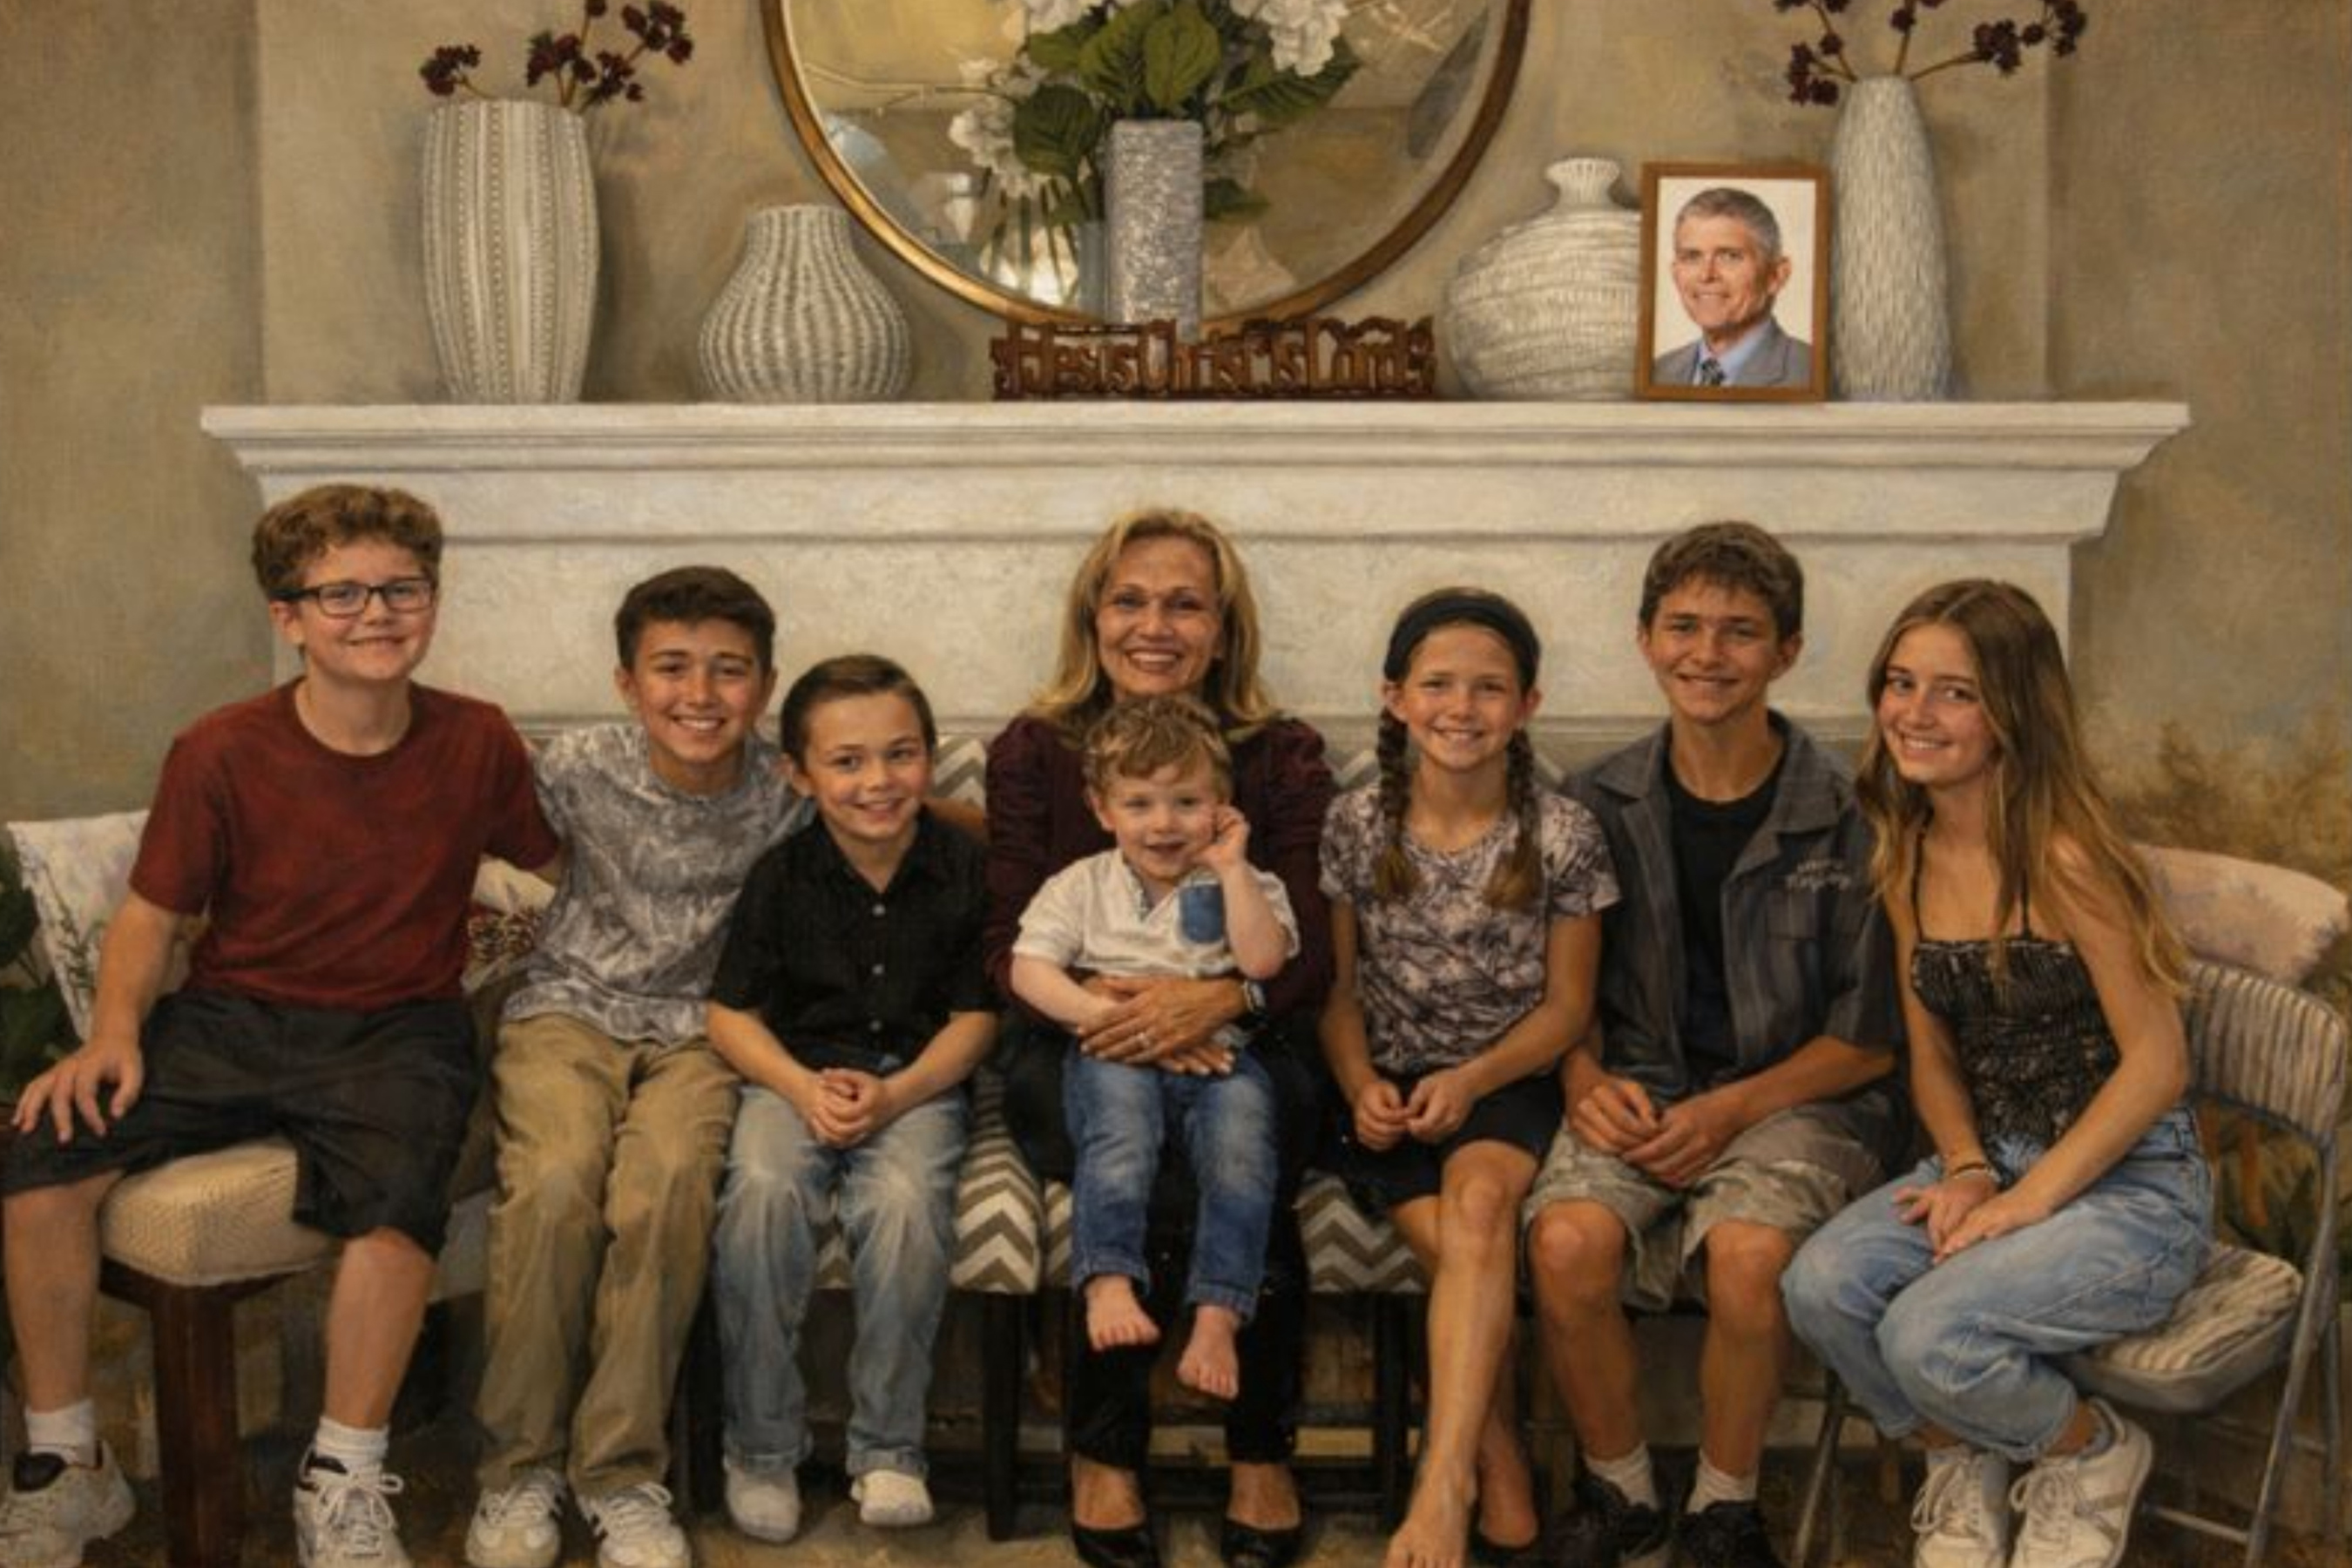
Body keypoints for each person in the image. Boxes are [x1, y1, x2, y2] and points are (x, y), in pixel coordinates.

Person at [0, 484, 562, 1568]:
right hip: (232, 1020)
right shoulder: (220, 750)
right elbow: (151, 915)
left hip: (400, 1028)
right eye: (341, 593)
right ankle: (69, 1464)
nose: (376, 613)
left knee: (399, 1201)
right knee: (40, 1148)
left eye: (402, 589)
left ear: (432, 602)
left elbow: (555, 864)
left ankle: (342, 1477)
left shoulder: (476, 739)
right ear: (288, 617)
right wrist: (113, 1035)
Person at [1781, 581, 2210, 1568]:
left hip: (2132, 1187)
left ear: (2015, 710)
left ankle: (2090, 1453)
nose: (1915, 713)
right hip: (1998, 1161)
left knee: (1929, 1335)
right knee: (1821, 1286)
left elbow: (2159, 1063)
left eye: (1956, 693)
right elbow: (1933, 1050)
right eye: (1901, 683)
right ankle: (1957, 1450)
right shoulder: (1909, 852)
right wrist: (1971, 1169)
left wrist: (2029, 1200)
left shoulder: (2067, 859)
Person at [1524, 522, 1903, 1568]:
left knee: (1749, 1256)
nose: (1708, 653)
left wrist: (1729, 1110)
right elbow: (1566, 987)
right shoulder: (1593, 802)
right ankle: (1621, 1492)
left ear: (1787, 651)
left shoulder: (1854, 815)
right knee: (1565, 1244)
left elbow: (1868, 1038)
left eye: (1740, 631)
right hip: (1637, 1084)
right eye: (1684, 626)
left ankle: (1725, 1510)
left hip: (1804, 1102)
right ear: (1645, 640)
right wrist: (1582, 1074)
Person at [984, 508, 1333, 1568]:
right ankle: (1109, 1451)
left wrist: (1218, 1003)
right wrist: (1126, 1016)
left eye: (1185, 604)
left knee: (1245, 1140)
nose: (1154, 626)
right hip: (1075, 1040)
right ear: (1092, 618)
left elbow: (1308, 952)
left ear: (1223, 630)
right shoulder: (1037, 751)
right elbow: (1004, 946)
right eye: (1129, 600)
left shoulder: (1279, 756)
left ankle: (1257, 1448)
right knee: (1133, 1143)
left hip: (1250, 1037)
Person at [464, 566, 803, 1568]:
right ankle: (517, 1469)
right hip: (567, 1011)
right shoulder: (574, 768)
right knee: (555, 1182)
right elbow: (447, 828)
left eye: (729, 670)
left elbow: (909, 822)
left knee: (665, 1192)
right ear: (626, 682)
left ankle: (620, 1475)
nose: (700, 694)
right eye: (671, 667)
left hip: (706, 1031)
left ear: (766, 684)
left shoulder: (787, 790)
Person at [1320, 589, 1615, 1568]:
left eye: (1489, 688)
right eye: (1438, 684)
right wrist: (1359, 1083)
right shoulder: (1356, 825)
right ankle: (1502, 1463)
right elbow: (1339, 995)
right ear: (1395, 698)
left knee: (1479, 1209)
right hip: (1390, 1091)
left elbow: (1568, 1009)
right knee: (1464, 1258)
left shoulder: (1562, 833)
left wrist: (1476, 1077)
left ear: (1527, 706)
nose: (1461, 707)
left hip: (1510, 1078)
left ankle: (1442, 1486)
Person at [706, 654, 997, 1544]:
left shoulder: (964, 868)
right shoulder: (781, 875)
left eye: (900, 754)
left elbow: (976, 1017)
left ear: (930, 757)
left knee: (905, 1206)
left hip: (919, 1082)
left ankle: (890, 1448)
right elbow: (729, 1012)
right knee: (760, 1196)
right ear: (800, 774)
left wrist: (897, 1093)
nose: (878, 781)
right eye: (847, 761)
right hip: (794, 1078)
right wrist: (799, 1086)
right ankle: (761, 1448)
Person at [1011, 696, 1299, 1402]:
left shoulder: (1246, 882)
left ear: (1221, 806)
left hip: (1220, 1057)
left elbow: (1264, 963)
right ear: (1102, 809)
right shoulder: (1081, 884)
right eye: (1138, 803)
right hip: (1112, 1054)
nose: (1163, 824)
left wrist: (1233, 869)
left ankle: (1218, 1311)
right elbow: (1028, 969)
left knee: (1243, 1150)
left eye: (1187, 802)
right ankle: (1108, 1279)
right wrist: (1109, 1021)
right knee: (1121, 1135)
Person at [1650, 187, 1813, 390]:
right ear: (1675, 273)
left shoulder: (1811, 372)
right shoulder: (1658, 372)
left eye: (1729, 256)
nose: (1706, 275)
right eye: (1692, 257)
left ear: (1776, 276)